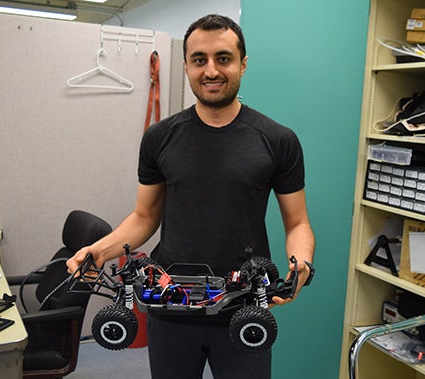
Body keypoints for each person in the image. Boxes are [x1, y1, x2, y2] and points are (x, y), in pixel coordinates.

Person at [67, 14, 315, 379]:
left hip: (243, 308)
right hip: (171, 308)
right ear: (185, 66)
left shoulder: (278, 140)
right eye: (199, 60)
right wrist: (98, 252)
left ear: (243, 64)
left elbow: (297, 222)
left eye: (223, 58)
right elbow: (144, 217)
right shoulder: (160, 137)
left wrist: (302, 265)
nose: (211, 70)